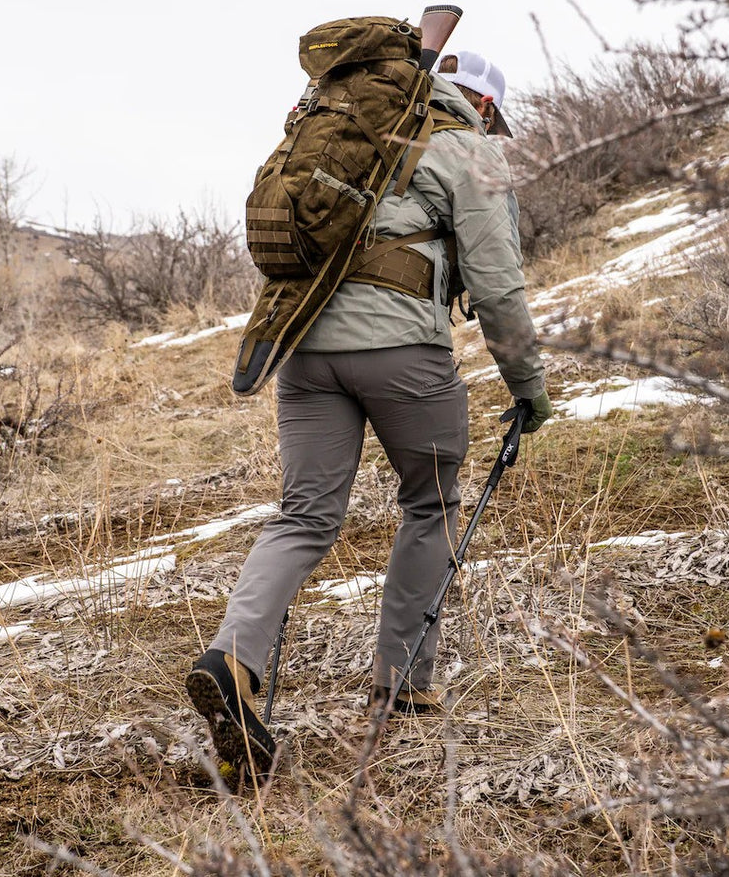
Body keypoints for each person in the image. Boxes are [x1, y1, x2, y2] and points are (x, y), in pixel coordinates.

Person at [185, 47, 554, 772]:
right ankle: (405, 684)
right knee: (432, 503)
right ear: (482, 105)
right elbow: (499, 284)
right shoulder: (465, 147)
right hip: (402, 354)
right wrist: (527, 386)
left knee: (304, 516)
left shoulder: (337, 126)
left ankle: (233, 659)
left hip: (304, 348)